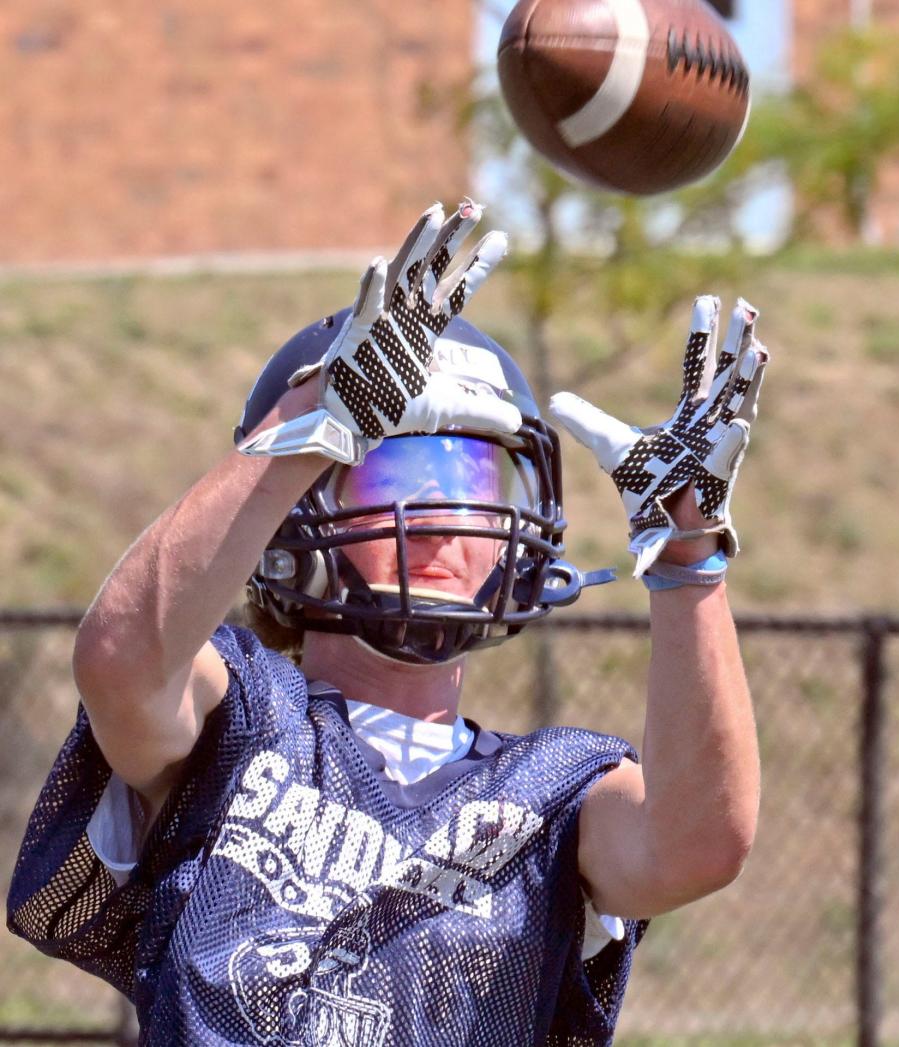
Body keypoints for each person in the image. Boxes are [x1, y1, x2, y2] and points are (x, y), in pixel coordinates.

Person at [7, 199, 766, 1046]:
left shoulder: (553, 798)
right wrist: (308, 425)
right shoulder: (243, 715)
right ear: (299, 503)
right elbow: (120, 658)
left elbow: (700, 843)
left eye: (473, 483)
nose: (443, 516)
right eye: (395, 474)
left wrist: (689, 560)